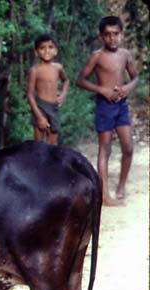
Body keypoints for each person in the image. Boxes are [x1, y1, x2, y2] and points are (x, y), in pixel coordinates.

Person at [76, 16, 139, 206]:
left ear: (121, 34)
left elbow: (135, 77)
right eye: (108, 35)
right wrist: (101, 89)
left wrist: (127, 88)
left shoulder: (125, 55)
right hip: (105, 106)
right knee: (105, 148)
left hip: (121, 106)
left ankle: (121, 186)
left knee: (128, 147)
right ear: (101, 37)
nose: (112, 38)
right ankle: (104, 195)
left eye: (116, 34)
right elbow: (80, 80)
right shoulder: (97, 56)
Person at [27, 34, 69, 144]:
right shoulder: (35, 70)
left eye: (50, 47)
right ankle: (37, 161)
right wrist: (39, 117)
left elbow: (66, 81)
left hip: (53, 107)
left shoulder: (58, 68)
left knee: (53, 144)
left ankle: (51, 161)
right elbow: (30, 95)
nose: (46, 51)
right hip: (40, 107)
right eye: (42, 48)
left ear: (56, 51)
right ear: (36, 52)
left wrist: (62, 96)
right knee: (38, 145)